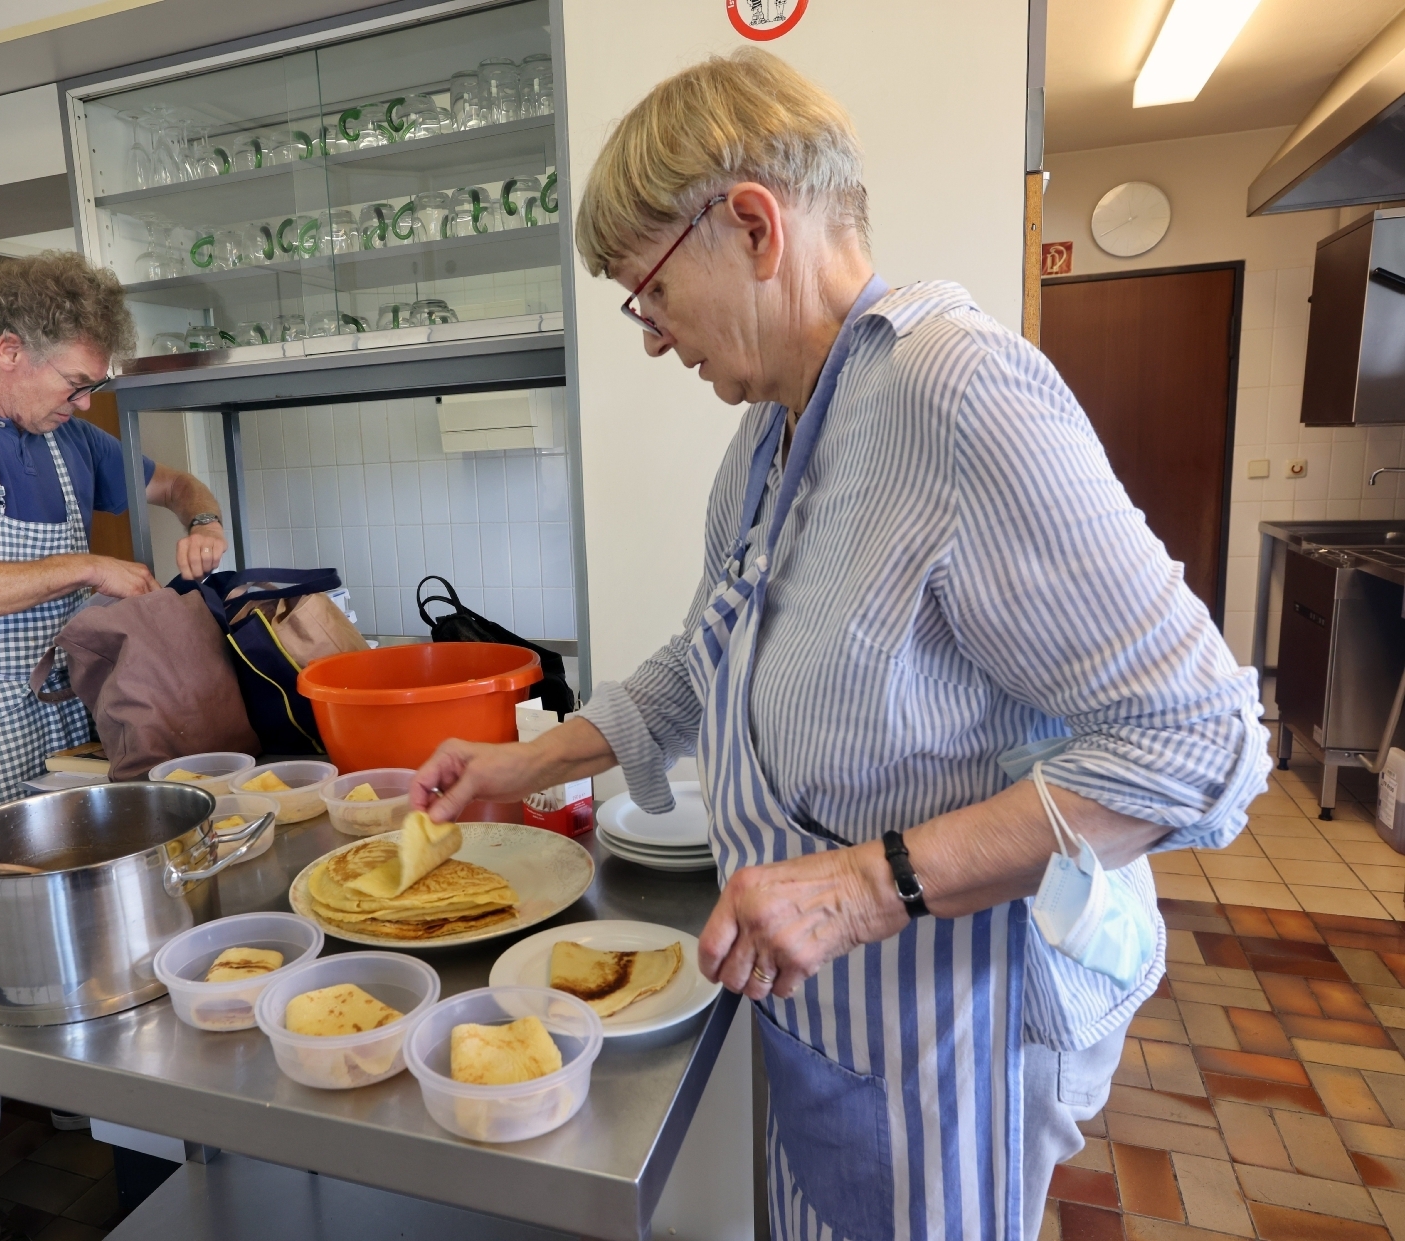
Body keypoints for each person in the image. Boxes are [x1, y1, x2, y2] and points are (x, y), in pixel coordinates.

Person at [409, 50, 1268, 1241]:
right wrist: (532, 760)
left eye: (648, 292)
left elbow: (1201, 741)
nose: (650, 337)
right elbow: (708, 653)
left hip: (949, 1028)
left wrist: (865, 887)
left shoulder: (958, 397)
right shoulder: (772, 440)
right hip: (832, 1022)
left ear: (752, 225)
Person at [0, 252, 228, 1241]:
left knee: (94, 915)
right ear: (10, 352)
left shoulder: (67, 440)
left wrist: (204, 521)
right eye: (75, 381)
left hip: (57, 716)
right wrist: (91, 566)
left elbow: (180, 483)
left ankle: (84, 1111)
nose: (83, 399)